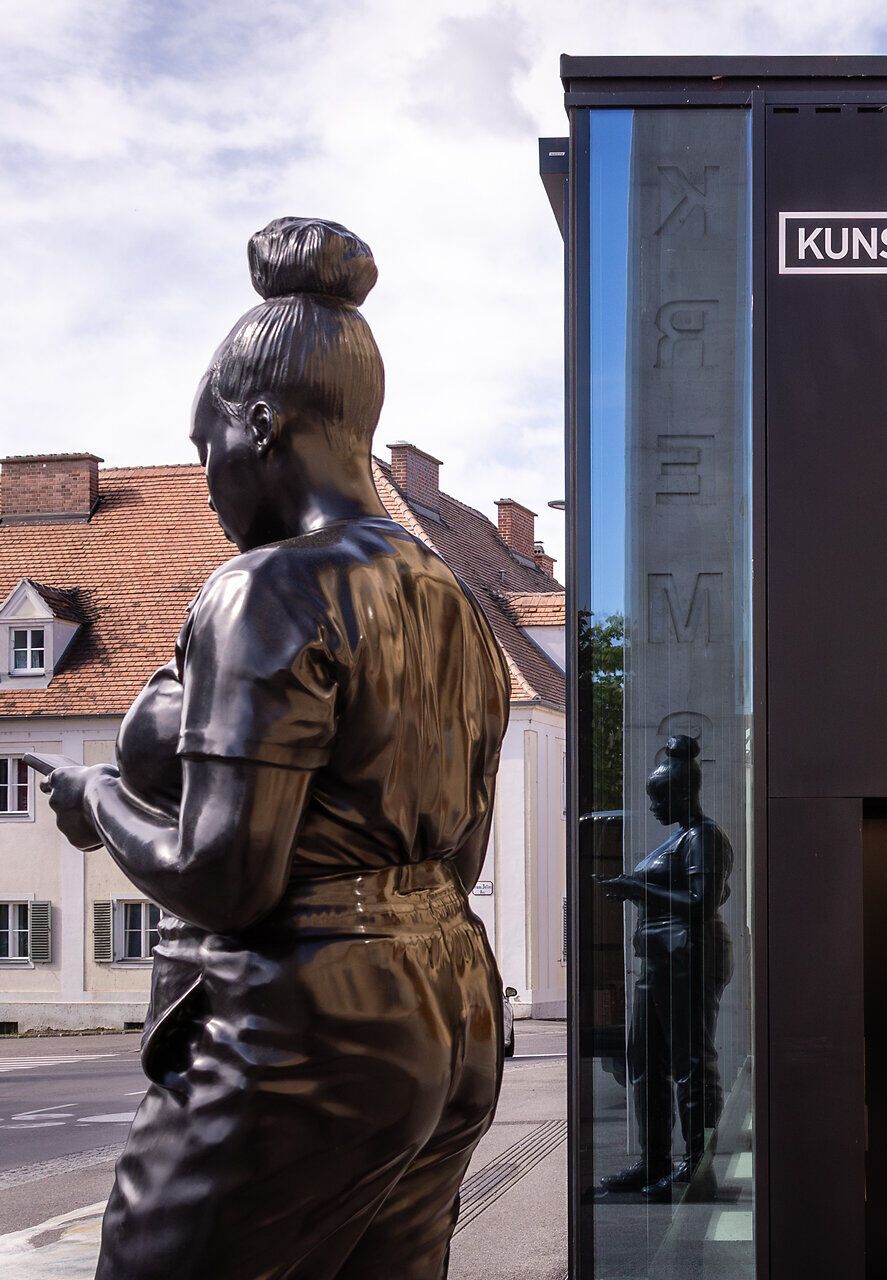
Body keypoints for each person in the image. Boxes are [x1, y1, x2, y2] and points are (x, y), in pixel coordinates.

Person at [42, 217, 510, 1280]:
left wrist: (100, 796)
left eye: (207, 447)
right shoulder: (453, 597)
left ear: (259, 424)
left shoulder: (271, 586)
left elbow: (226, 875)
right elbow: (465, 853)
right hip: (452, 1011)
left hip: (305, 1027)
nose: (204, 481)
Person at [598, 735, 735, 1199]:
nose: (653, 807)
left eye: (659, 798)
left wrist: (639, 890)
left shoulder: (704, 838)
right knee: (645, 1063)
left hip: (688, 955)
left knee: (691, 1062)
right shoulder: (676, 841)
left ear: (682, 793)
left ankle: (697, 1163)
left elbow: (702, 902)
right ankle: (651, 1160)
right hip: (657, 960)